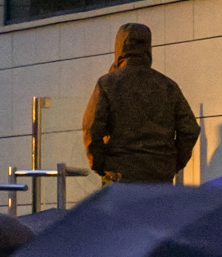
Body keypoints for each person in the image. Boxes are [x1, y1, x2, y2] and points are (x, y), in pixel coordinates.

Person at [81, 22, 199, 184]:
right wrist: (172, 164)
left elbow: (91, 127)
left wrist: (101, 165)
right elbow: (190, 130)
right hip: (160, 176)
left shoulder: (107, 84)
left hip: (120, 176)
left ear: (119, 47)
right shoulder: (168, 86)